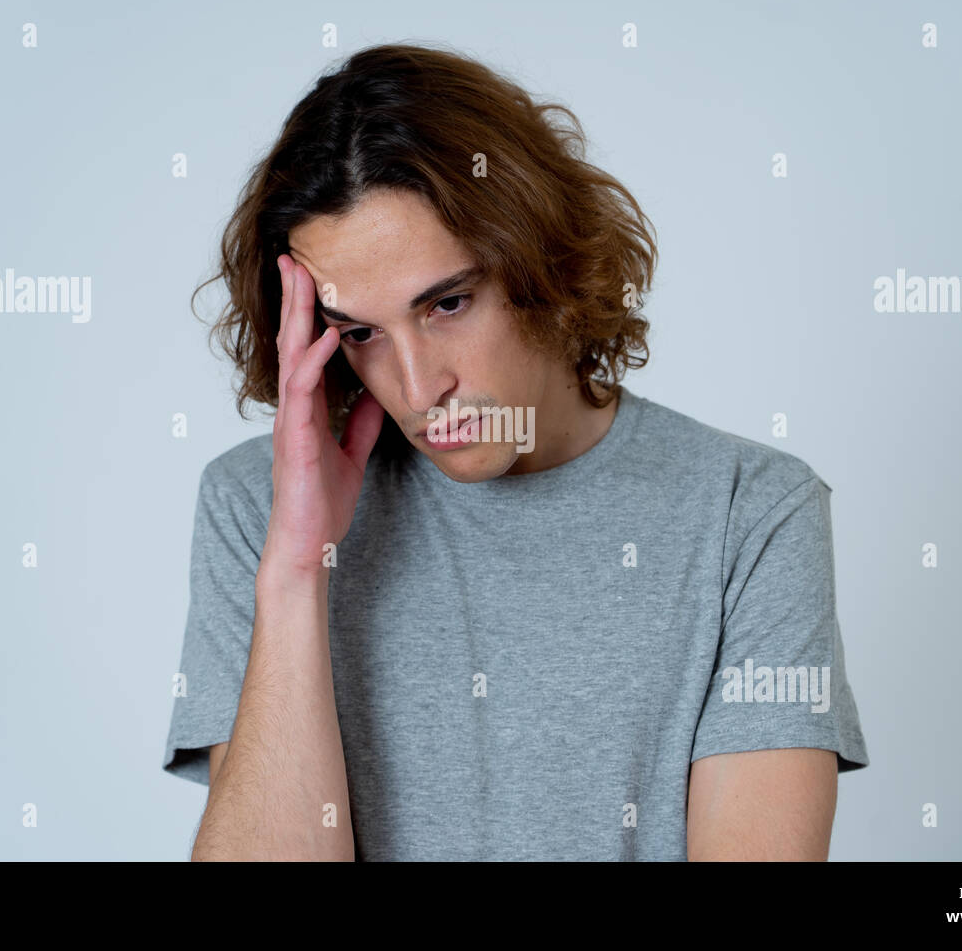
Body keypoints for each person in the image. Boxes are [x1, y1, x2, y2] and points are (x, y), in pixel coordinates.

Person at [162, 42, 869, 861]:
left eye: (448, 303)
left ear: (540, 259)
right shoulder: (258, 505)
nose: (420, 388)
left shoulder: (749, 510)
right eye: (361, 333)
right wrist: (294, 569)